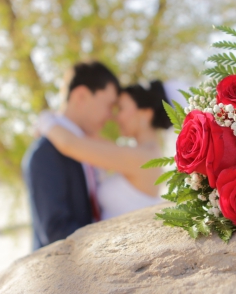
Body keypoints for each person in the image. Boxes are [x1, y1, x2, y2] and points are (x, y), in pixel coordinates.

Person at [37, 80, 173, 220]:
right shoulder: (139, 153)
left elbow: (69, 144)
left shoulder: (145, 157)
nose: (115, 117)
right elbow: (90, 139)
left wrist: (44, 119)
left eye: (120, 108)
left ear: (146, 113)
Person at [22, 61, 120, 250]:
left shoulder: (87, 146)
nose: (110, 116)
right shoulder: (45, 153)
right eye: (108, 105)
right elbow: (56, 231)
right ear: (81, 96)